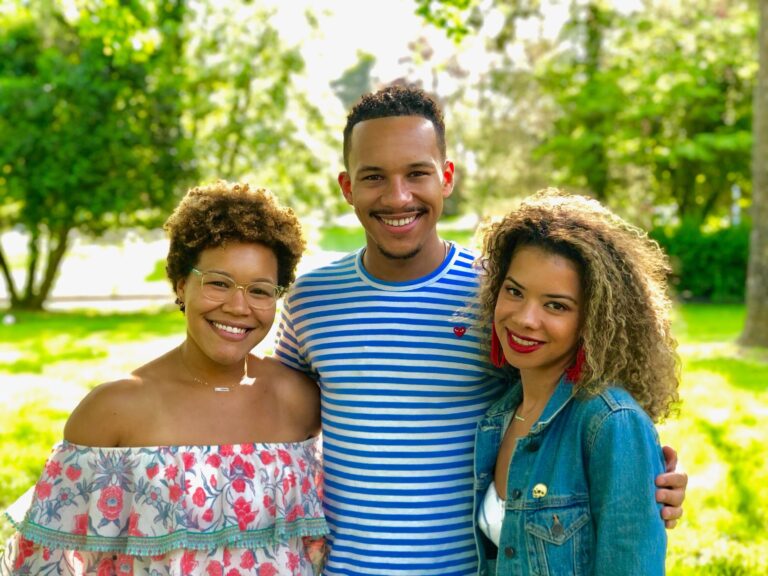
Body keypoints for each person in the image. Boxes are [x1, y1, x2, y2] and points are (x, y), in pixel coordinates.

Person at [274, 84, 687, 575]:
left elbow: (571, 403)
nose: (397, 195)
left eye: (417, 174)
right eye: (373, 177)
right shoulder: (309, 300)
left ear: (446, 177)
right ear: (347, 187)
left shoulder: (500, 292)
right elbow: (274, 423)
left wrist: (642, 481)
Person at [2, 182, 327, 575]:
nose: (239, 307)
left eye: (259, 290)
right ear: (180, 284)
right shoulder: (115, 412)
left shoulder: (300, 401)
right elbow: (51, 563)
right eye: (219, 283)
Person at [473, 189, 678, 575]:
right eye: (514, 291)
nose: (525, 319)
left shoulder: (610, 424)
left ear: (593, 320)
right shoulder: (500, 414)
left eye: (556, 305)